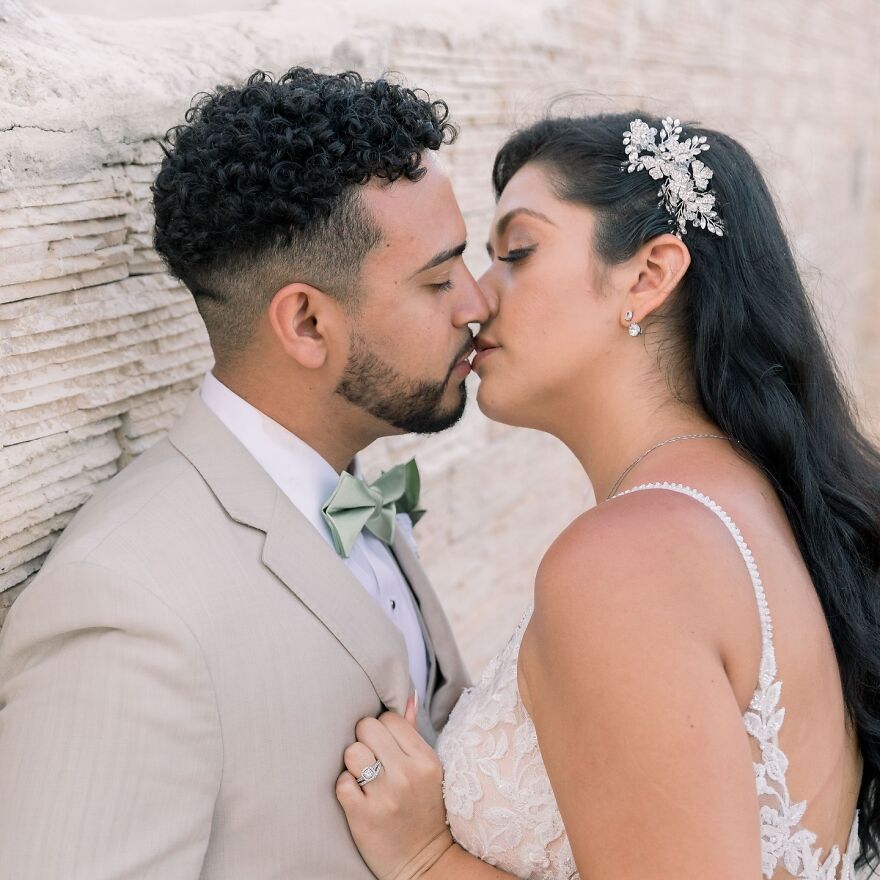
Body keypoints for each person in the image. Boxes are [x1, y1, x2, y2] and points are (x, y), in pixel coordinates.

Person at [336, 114, 880, 879]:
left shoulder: (630, 560)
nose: (474, 300)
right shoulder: (754, 497)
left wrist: (426, 857)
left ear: (650, 275)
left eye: (516, 252)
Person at [0, 67, 491, 878]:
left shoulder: (352, 485)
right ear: (305, 322)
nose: (475, 303)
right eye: (438, 279)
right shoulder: (131, 612)